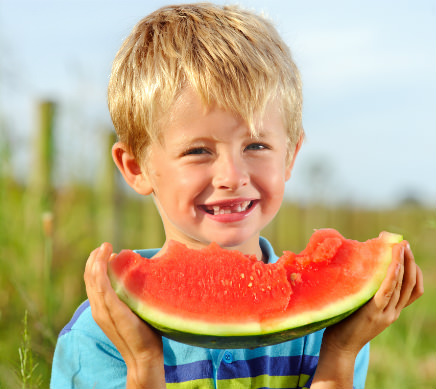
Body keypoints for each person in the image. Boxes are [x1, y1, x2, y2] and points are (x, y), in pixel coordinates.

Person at [50, 3, 423, 388]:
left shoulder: (331, 330)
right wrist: (144, 364)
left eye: (256, 145)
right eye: (198, 151)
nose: (231, 176)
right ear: (135, 168)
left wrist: (340, 354)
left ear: (290, 156)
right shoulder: (99, 338)